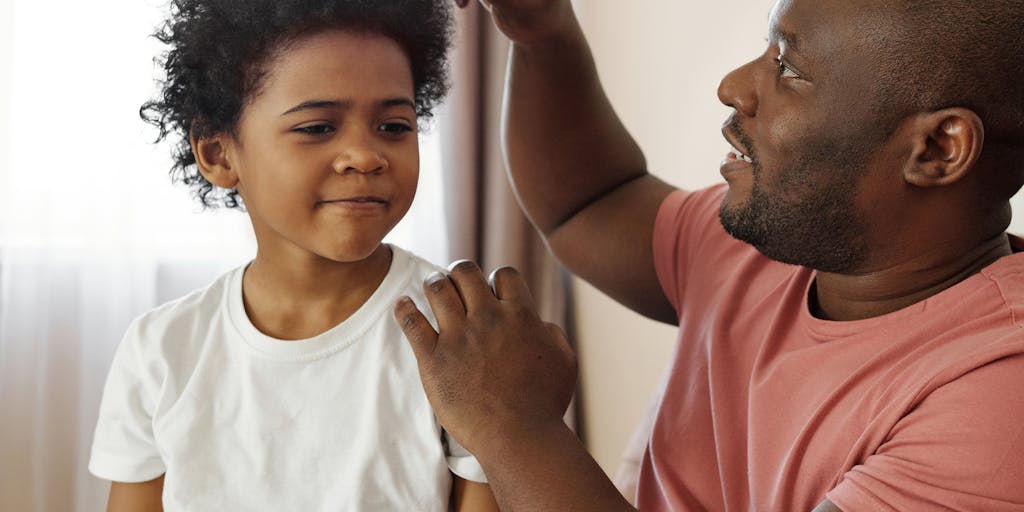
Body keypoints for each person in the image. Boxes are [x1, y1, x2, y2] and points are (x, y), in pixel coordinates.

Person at [393, 0, 1024, 510]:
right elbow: (589, 203)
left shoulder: (997, 403)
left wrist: (516, 428)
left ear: (938, 148)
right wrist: (543, 32)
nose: (734, 87)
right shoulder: (782, 245)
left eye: (790, 70)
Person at [87, 1, 499, 510]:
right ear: (218, 154)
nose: (366, 156)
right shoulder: (160, 351)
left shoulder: (464, 332)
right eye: (317, 128)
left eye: (394, 126)